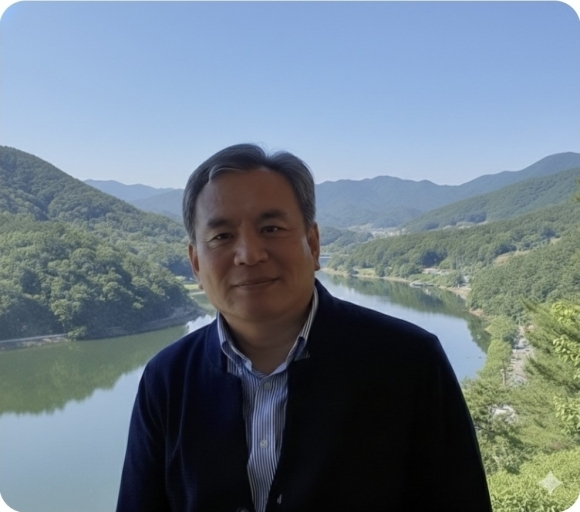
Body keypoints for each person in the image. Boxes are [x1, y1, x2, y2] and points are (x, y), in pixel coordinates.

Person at [116, 144, 491, 512]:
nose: (249, 254)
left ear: (312, 244)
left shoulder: (409, 362)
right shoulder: (167, 379)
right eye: (222, 237)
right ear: (196, 264)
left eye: (271, 228)